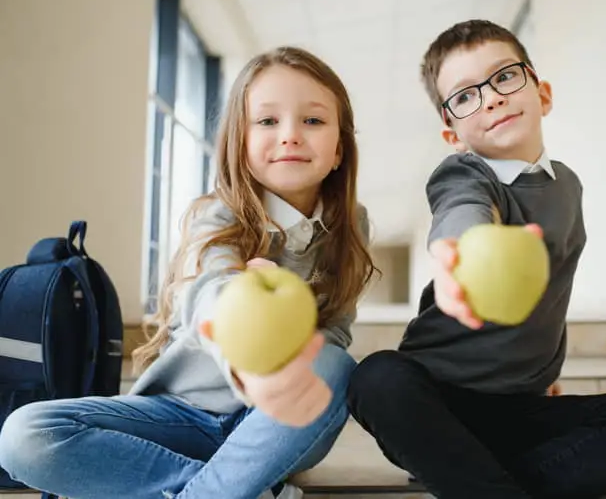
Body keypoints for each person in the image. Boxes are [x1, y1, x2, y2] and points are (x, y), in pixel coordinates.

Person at [0, 46, 376, 499]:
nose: (291, 135)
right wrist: (244, 346)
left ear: (339, 150)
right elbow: (208, 293)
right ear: (240, 142)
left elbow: (333, 335)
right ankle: (234, 488)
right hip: (181, 414)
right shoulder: (217, 216)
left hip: (273, 428)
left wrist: (288, 366)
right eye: (268, 121)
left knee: (336, 364)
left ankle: (224, 485)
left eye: (313, 121)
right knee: (25, 435)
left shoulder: (351, 225)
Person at [347, 19, 606, 499]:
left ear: (542, 94)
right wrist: (457, 252)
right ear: (452, 134)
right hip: (435, 403)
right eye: (464, 96)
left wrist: (542, 377)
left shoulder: (568, 186)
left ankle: (475, 479)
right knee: (375, 377)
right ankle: (468, 470)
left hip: (516, 410)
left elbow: (554, 288)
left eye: (503, 77)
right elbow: (461, 210)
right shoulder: (465, 174)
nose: (492, 98)